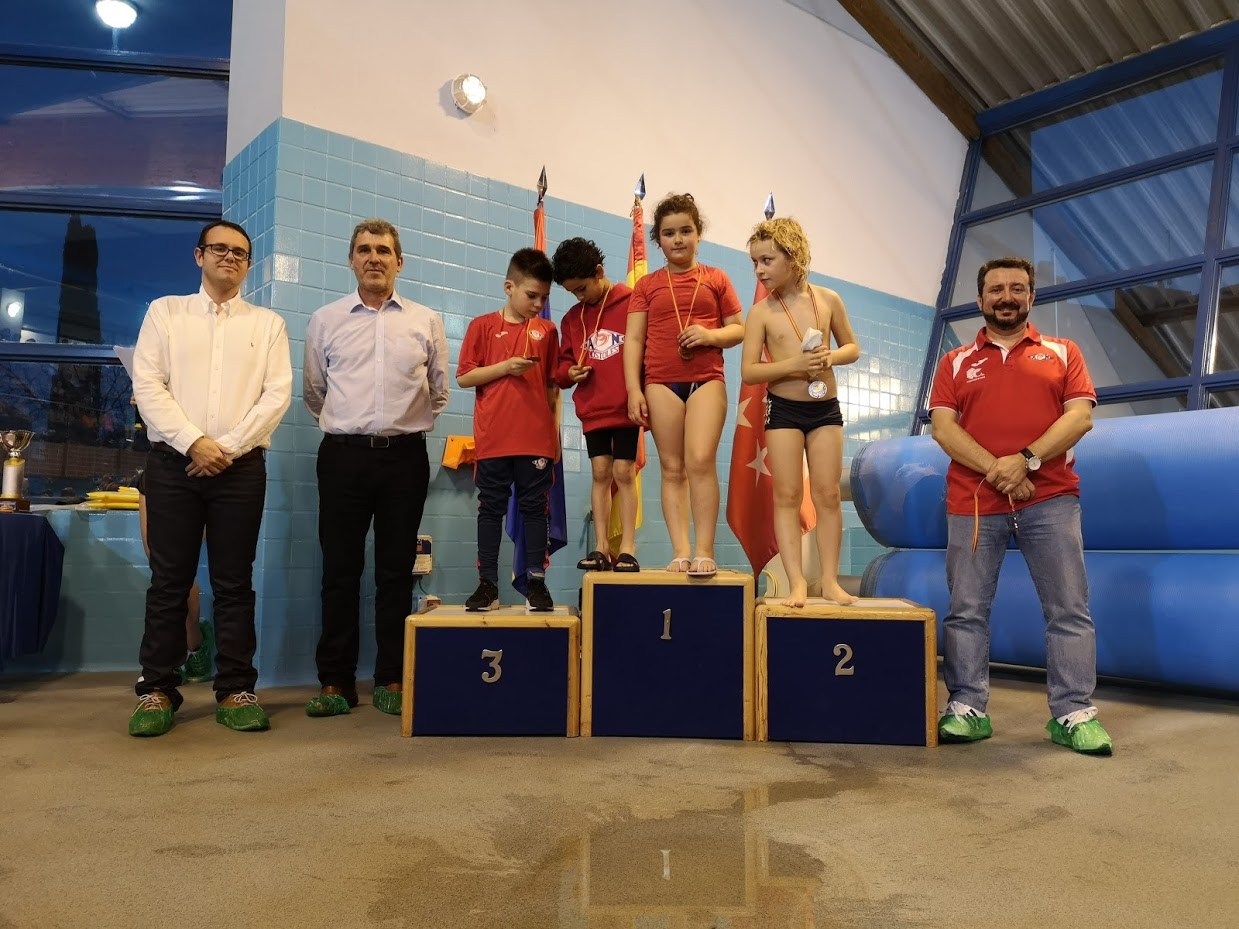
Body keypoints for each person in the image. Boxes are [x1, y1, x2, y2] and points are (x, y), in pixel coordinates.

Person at [928, 256, 1113, 755]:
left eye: (1016, 288)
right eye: (996, 289)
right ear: (980, 299)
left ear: (1031, 297)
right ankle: (966, 707)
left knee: (1069, 608)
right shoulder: (955, 362)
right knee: (966, 610)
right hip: (973, 503)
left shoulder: (1064, 352)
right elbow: (943, 428)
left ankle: (1073, 713)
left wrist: (1026, 461)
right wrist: (1000, 470)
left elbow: (1080, 418)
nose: (1006, 297)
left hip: (1051, 499)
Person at [129, 219, 292, 737]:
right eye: (219, 248)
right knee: (169, 581)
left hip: (239, 470)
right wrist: (194, 442)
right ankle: (156, 689)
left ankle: (236, 689)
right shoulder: (165, 312)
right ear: (199, 256)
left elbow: (277, 395)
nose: (229, 257)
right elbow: (147, 384)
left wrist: (226, 448)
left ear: (249, 265)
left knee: (234, 582)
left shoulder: (268, 325)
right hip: (172, 465)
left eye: (240, 253)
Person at [303, 218, 449, 718]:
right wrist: (353, 426)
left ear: (399, 262)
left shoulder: (425, 321)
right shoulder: (325, 320)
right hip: (342, 456)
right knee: (339, 571)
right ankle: (336, 682)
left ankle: (391, 676)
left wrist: (398, 424)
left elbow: (439, 390)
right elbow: (315, 391)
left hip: (404, 458)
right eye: (364, 249)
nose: (373, 257)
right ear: (351, 260)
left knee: (395, 572)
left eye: (383, 250)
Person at [624, 193, 744, 577]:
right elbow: (634, 340)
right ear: (658, 239)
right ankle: (681, 550)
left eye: (686, 231)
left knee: (700, 461)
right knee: (672, 467)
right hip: (660, 382)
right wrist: (633, 389)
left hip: (706, 380)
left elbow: (739, 329)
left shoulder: (716, 278)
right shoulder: (647, 285)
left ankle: (705, 549)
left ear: (698, 233)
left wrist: (710, 336)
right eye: (669, 233)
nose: (678, 239)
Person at [741, 217, 859, 607]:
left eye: (767, 260)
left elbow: (852, 348)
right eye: (755, 262)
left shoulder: (827, 299)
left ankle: (829, 581)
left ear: (793, 257)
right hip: (784, 410)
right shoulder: (761, 312)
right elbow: (749, 371)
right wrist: (794, 365)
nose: (759, 270)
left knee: (828, 493)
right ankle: (796, 582)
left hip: (824, 408)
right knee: (788, 495)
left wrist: (831, 357)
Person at [457, 248, 560, 612]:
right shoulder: (482, 326)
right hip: (494, 438)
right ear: (509, 287)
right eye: (532, 295)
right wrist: (505, 367)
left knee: (534, 510)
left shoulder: (547, 331)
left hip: (536, 440)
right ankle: (488, 585)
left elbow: (553, 387)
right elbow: (465, 377)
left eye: (544, 297)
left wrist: (554, 437)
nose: (538, 304)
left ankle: (536, 583)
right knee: (490, 508)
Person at [551, 237, 639, 573]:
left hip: (626, 407)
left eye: (582, 288)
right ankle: (601, 546)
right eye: (572, 292)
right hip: (593, 409)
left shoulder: (632, 303)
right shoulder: (572, 319)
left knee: (624, 472)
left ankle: (627, 548)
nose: (579, 296)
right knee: (600, 472)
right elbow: (561, 366)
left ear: (599, 272)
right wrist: (569, 373)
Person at [135, 463, 209, 681]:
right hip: (160, 471)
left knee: (179, 568)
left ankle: (194, 645)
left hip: (202, 473)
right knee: (163, 568)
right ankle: (168, 658)